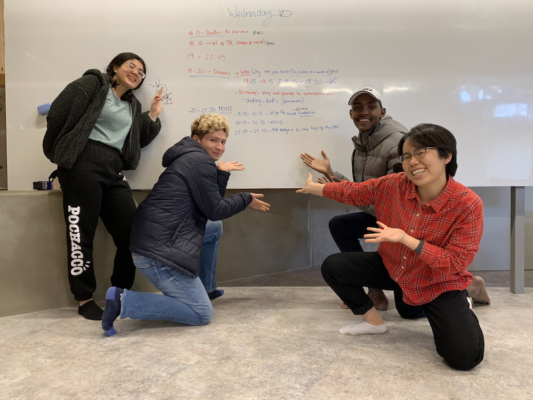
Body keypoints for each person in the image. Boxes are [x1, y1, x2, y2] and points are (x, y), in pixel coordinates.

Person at [296, 123, 485, 370]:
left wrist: (407, 239)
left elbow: (455, 263)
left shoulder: (468, 204)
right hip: (395, 266)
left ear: (446, 156)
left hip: (437, 280)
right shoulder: (395, 184)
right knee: (334, 266)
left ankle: (464, 299)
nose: (412, 161)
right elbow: (355, 192)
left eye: (420, 152)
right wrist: (316, 188)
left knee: (464, 358)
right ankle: (373, 322)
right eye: (406, 156)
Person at [101, 114, 270, 336]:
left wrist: (221, 174)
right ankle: (124, 301)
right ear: (197, 139)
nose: (219, 147)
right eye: (213, 140)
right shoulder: (200, 162)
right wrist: (245, 198)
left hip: (155, 238)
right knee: (201, 314)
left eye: (223, 141)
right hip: (157, 254)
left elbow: (208, 206)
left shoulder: (193, 158)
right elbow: (215, 209)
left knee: (214, 228)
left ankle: (206, 287)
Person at [43, 53, 163, 320]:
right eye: (130, 66)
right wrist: (62, 153)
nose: (136, 72)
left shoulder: (132, 105)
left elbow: (133, 142)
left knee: (132, 231)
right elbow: (59, 113)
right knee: (80, 232)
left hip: (112, 166)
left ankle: (119, 291)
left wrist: (152, 116)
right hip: (82, 162)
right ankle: (84, 298)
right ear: (115, 68)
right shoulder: (92, 85)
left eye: (141, 71)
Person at [300, 87, 407, 311]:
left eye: (371, 107)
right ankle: (374, 291)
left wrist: (336, 188)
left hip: (401, 224)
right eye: (357, 108)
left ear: (383, 111)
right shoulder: (361, 144)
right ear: (351, 114)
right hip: (380, 217)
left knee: (410, 310)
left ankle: (467, 286)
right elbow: (363, 189)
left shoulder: (396, 143)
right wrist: (331, 173)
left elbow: (391, 198)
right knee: (341, 225)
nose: (363, 112)